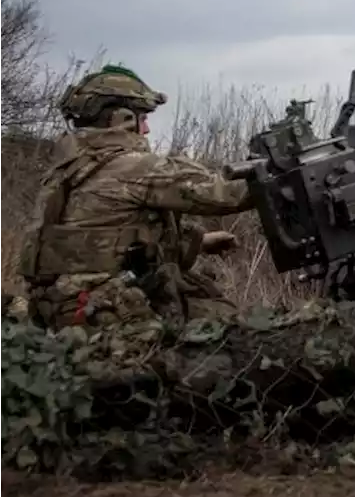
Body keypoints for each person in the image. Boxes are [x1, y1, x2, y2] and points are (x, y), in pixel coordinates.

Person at [17, 64, 252, 331]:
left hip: (61, 305)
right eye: (143, 118)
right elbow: (225, 194)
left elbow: (98, 238)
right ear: (122, 119)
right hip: (101, 310)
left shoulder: (69, 168)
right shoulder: (130, 166)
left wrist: (199, 242)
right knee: (227, 335)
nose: (148, 129)